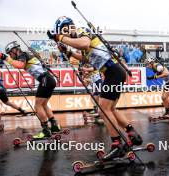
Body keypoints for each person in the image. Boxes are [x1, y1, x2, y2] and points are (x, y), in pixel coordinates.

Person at [47, 16, 142, 160]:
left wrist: (59, 37)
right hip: (112, 72)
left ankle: (116, 145)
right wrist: (69, 53)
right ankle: (132, 133)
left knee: (103, 109)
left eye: (63, 32)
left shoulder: (82, 31)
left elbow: (84, 43)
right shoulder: (78, 38)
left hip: (113, 71)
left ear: (67, 27)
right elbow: (86, 59)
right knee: (110, 109)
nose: (64, 36)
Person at [0, 41, 60, 138]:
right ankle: (54, 126)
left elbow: (20, 65)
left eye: (10, 53)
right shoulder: (28, 54)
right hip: (49, 79)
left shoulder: (22, 55)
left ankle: (46, 131)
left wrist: (5, 57)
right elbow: (43, 65)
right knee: (43, 104)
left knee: (37, 106)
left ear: (14, 50)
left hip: (45, 79)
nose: (10, 55)